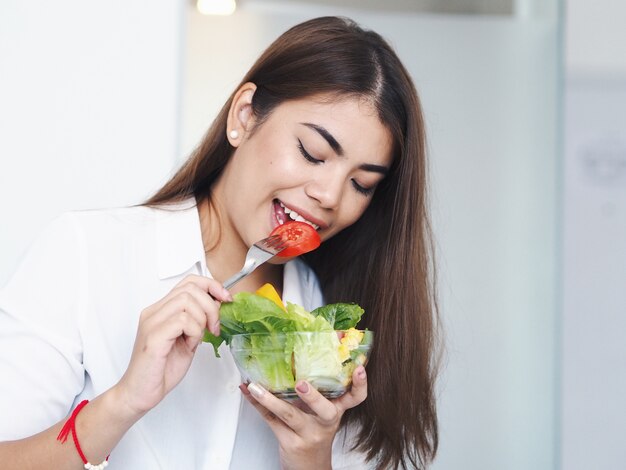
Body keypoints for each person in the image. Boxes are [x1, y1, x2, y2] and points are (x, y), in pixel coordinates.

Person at [0, 16, 440, 470]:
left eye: (362, 184)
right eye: (312, 152)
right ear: (244, 116)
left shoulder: (341, 326)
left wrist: (311, 456)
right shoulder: (86, 254)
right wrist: (122, 403)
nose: (329, 196)